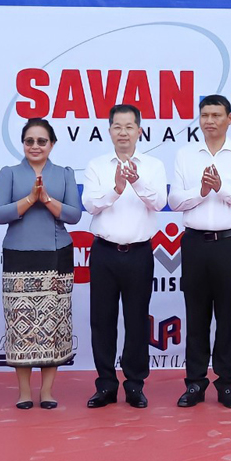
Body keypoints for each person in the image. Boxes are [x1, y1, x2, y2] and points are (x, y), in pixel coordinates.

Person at [169, 95, 231, 410]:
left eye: (216, 115)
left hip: (230, 243)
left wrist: (222, 189)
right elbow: (176, 201)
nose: (210, 121)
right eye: (204, 115)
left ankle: (227, 384)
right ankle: (194, 383)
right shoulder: (185, 154)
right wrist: (201, 192)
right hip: (193, 242)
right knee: (196, 315)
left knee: (227, 315)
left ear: (229, 119)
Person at [0, 118, 82, 410]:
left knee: (52, 324)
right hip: (19, 256)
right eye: (29, 141)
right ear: (23, 144)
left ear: (52, 144)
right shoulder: (10, 173)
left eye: (41, 141)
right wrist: (31, 199)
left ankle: (47, 391)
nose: (35, 146)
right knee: (23, 327)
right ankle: (24, 392)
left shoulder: (65, 174)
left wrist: (48, 200)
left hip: (56, 256)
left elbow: (74, 214)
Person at [80, 104, 166, 409]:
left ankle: (134, 385)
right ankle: (105, 384)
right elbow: (89, 204)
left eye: (130, 127)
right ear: (109, 131)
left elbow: (159, 202)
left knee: (136, 321)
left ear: (139, 130)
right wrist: (117, 188)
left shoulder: (153, 165)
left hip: (140, 253)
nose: (123, 133)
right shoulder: (96, 165)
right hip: (104, 252)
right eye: (118, 127)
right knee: (102, 322)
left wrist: (137, 181)